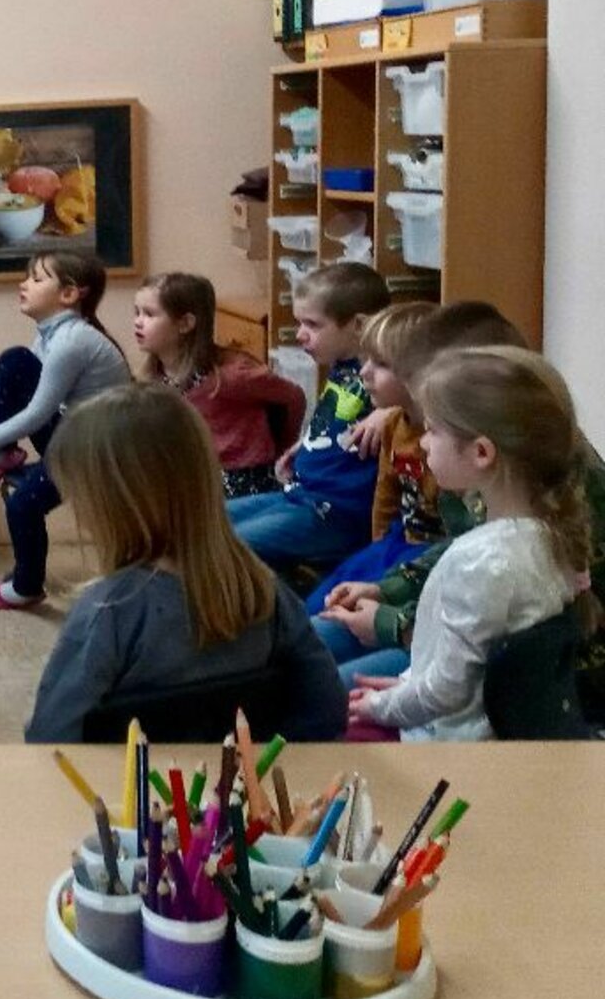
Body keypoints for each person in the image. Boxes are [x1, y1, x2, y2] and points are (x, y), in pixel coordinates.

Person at [23, 384, 346, 743]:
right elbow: (327, 708)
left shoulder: (106, 611)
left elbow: (49, 737)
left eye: (78, 497)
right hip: (241, 777)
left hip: (128, 781)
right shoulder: (264, 589)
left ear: (114, 504)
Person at [349, 348, 592, 741]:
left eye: (433, 431)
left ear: (481, 452)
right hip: (468, 722)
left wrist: (379, 706)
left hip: (451, 745)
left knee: (322, 725)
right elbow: (468, 672)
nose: (423, 443)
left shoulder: (480, 562)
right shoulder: (552, 535)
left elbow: (448, 692)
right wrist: (407, 686)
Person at [0, 250, 131, 609]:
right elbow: (36, 403)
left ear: (68, 294)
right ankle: (2, 455)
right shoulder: (51, 335)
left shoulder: (72, 341)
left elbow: (38, 413)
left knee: (23, 504)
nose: (24, 284)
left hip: (91, 454)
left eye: (36, 279)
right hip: (72, 435)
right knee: (15, 361)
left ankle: (26, 588)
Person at [303, 303, 444, 682]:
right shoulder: (394, 424)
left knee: (334, 632)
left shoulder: (446, 446)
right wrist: (376, 548)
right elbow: (386, 494)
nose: (364, 372)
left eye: (380, 364)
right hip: (396, 541)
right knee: (317, 608)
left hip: (426, 553)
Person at [226, 262, 390, 575]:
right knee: (203, 522)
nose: (300, 335)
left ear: (358, 325)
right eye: (300, 323)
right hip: (299, 496)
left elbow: (427, 396)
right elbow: (338, 420)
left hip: (334, 515)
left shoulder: (384, 375)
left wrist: (390, 412)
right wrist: (306, 444)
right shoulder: (342, 364)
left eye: (313, 325)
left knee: (226, 545)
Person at [132, 271, 306, 498]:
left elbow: (293, 397)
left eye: (149, 314)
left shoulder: (232, 375)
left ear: (185, 323)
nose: (138, 321)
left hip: (240, 484)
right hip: (191, 476)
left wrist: (283, 450)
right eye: (137, 312)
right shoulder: (152, 376)